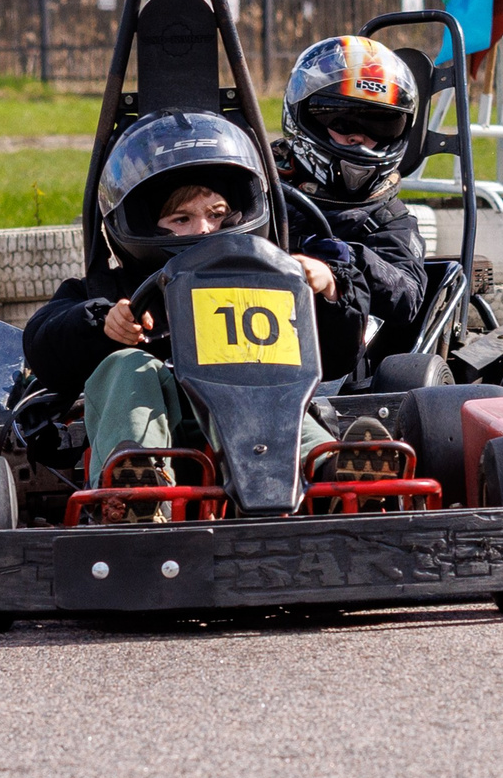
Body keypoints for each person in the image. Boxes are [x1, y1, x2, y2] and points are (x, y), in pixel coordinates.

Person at [20, 109, 335, 511]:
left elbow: (339, 357)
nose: (204, 229)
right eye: (182, 218)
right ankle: (135, 484)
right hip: (161, 420)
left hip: (254, 426)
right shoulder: (111, 290)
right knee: (130, 364)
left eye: (216, 215)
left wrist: (326, 293)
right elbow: (42, 345)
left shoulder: (268, 280)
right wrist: (102, 323)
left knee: (276, 386)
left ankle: (332, 470)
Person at [270, 35, 431, 379]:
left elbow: (408, 296)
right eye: (344, 123)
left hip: (338, 366)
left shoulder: (388, 218)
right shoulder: (259, 188)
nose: (360, 138)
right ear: (304, 116)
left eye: (381, 124)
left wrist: (349, 260)